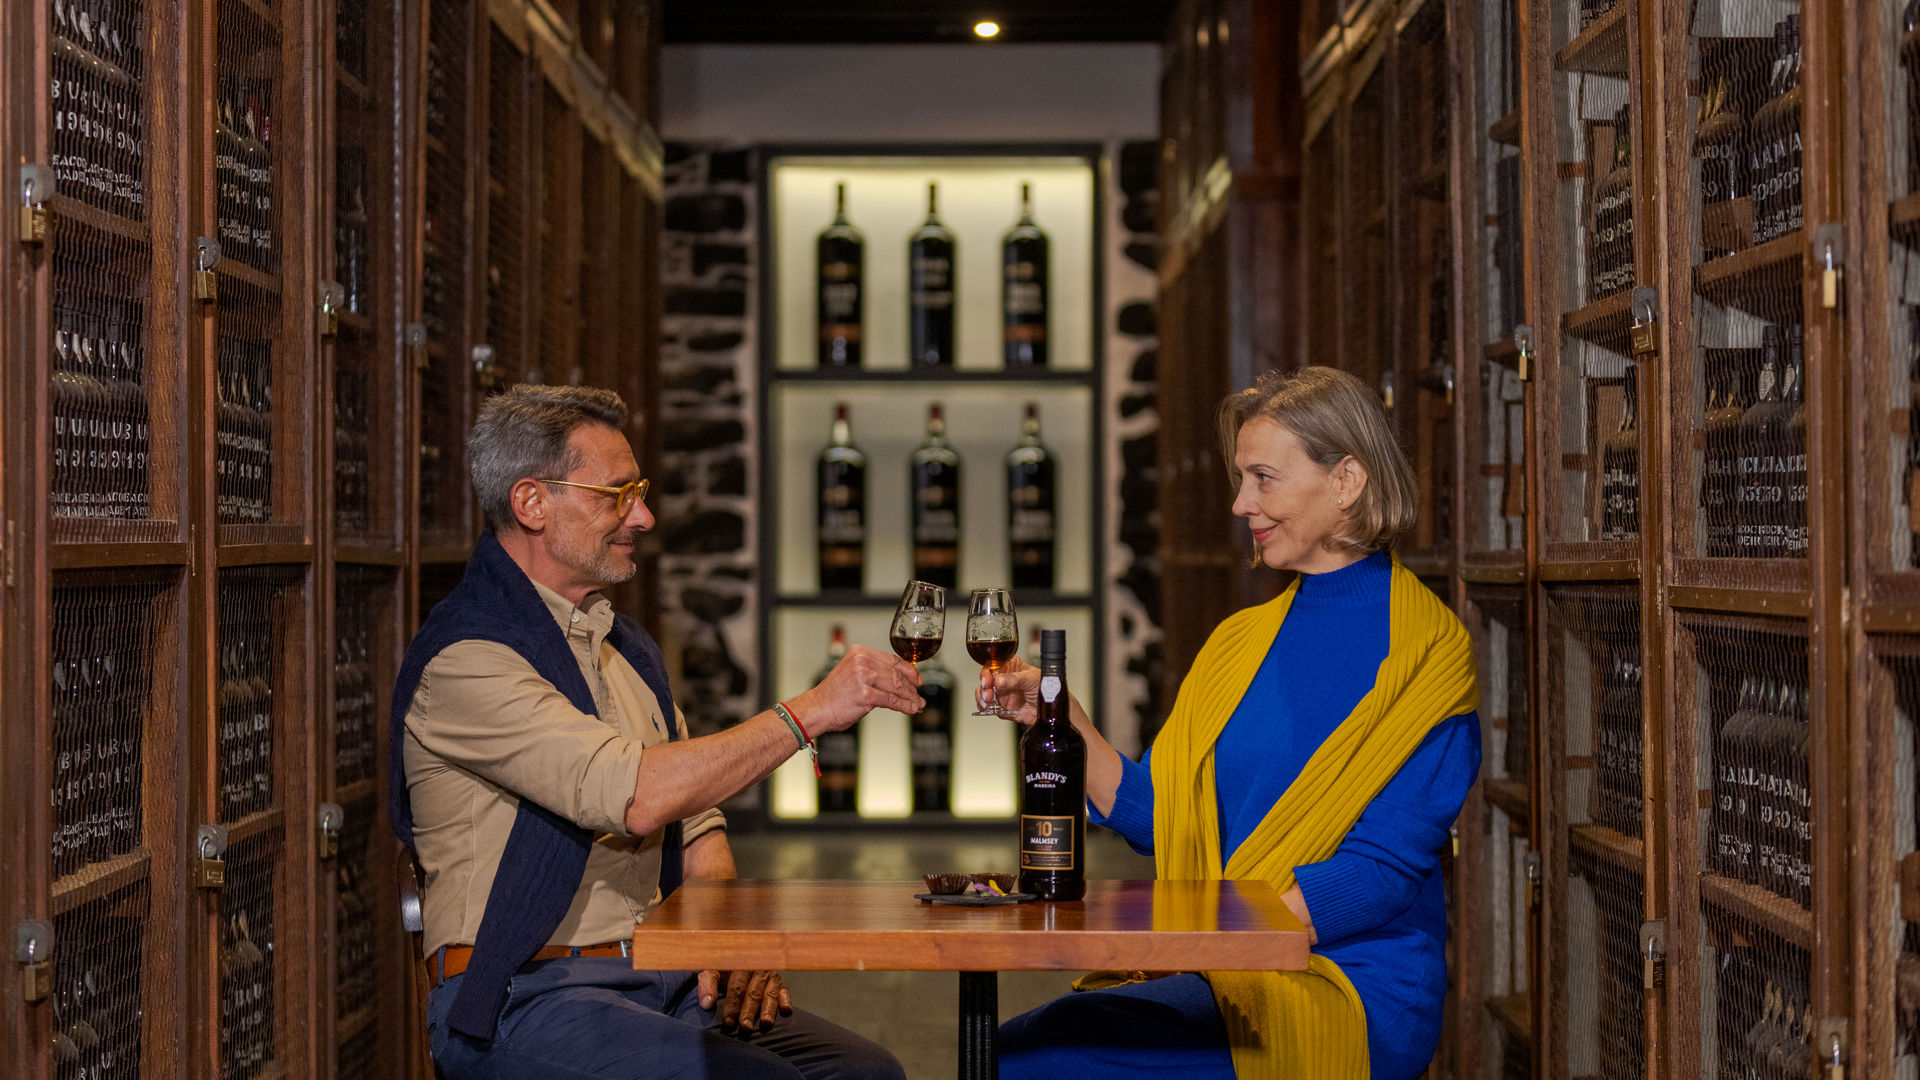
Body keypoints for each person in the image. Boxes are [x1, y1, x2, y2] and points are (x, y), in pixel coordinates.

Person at [391, 384, 918, 1080]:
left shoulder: (624, 647)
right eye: (616, 494)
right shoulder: (467, 659)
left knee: (863, 1072)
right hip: (524, 998)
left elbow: (697, 822)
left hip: (651, 978)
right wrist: (810, 712)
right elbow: (633, 794)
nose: (642, 515)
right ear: (532, 503)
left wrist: (725, 933)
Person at [986, 366, 1480, 1080]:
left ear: (1347, 481)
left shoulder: (1429, 653)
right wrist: (1063, 722)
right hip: (1231, 959)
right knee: (1015, 1050)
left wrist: (1207, 943)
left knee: (1041, 1059)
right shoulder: (1238, 642)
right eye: (1241, 478)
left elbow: (1378, 873)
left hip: (1341, 984)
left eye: (1263, 478)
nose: (1240, 501)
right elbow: (1165, 815)